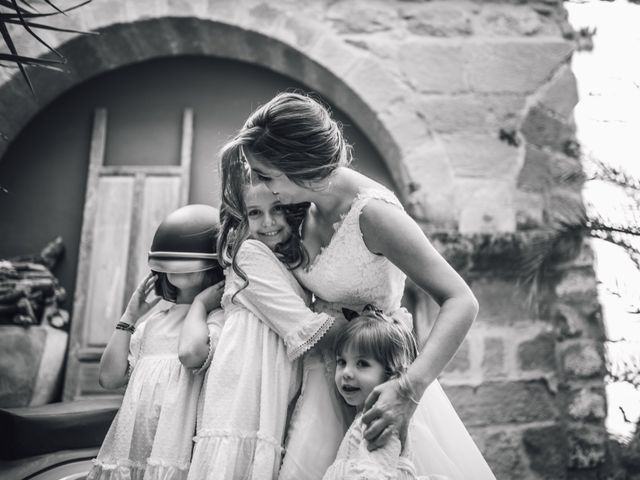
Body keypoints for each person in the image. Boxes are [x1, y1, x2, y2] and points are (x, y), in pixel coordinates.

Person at [223, 91, 496, 479]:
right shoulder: (298, 207)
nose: (262, 186)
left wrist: (408, 390)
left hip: (377, 380)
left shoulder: (375, 215)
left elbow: (461, 301)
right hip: (324, 377)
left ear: (298, 165)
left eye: (266, 175)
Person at [186, 172, 334, 479]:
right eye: (255, 213)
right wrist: (370, 321)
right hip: (244, 387)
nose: (268, 222)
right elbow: (303, 327)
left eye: (277, 209)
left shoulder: (284, 258)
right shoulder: (250, 254)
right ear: (240, 219)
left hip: (267, 383)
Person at [87, 204, 225, 480]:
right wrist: (129, 316)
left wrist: (199, 304)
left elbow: (191, 354)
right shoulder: (153, 322)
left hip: (174, 450)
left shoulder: (218, 319)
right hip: (131, 450)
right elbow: (110, 378)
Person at [323, 305, 430, 480]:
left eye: (362, 364)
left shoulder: (380, 420)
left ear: (391, 373)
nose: (346, 373)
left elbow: (375, 475)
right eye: (342, 362)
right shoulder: (367, 416)